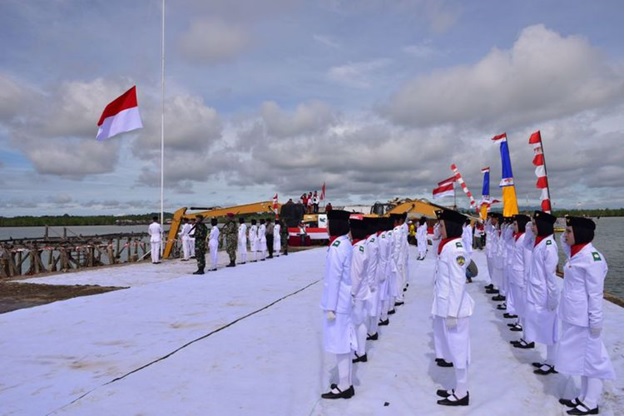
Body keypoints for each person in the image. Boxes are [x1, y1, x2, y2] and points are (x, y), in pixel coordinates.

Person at [555, 216, 615, 415]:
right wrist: (565, 237)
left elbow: (595, 293)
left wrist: (596, 321)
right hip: (574, 316)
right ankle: (583, 396)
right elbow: (566, 245)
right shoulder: (576, 253)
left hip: (586, 319)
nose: (565, 234)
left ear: (580, 233)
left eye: (569, 231)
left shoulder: (592, 258)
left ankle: (591, 402)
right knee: (583, 359)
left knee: (593, 360)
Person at [432, 209, 473, 407]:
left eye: (441, 224)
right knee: (453, 349)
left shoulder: (456, 248)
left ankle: (462, 392)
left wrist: (452, 313)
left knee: (458, 350)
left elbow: (458, 284)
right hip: (446, 305)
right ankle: (458, 388)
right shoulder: (446, 246)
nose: (439, 227)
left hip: (454, 309)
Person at [512, 211, 559, 371]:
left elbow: (551, 276)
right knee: (542, 327)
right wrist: (528, 227)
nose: (533, 226)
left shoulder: (549, 246)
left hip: (544, 294)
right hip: (536, 292)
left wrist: (553, 298)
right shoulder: (538, 242)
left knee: (549, 328)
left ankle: (551, 362)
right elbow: (526, 244)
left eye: (535, 224)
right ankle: (548, 361)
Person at [320, 210, 355, 399]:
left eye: (328, 223)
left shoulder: (336, 247)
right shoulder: (345, 243)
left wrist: (330, 307)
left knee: (341, 343)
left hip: (337, 304)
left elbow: (334, 280)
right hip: (345, 300)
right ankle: (346, 382)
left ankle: (344, 385)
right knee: (345, 342)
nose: (326, 227)